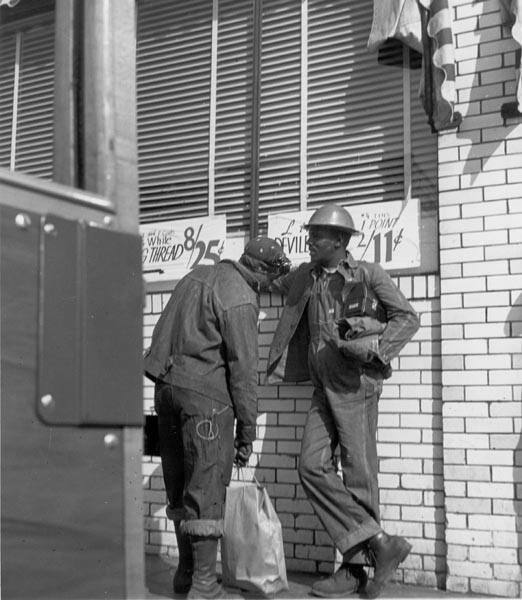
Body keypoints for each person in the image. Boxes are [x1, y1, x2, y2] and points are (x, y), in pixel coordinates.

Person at [267, 203, 420, 599]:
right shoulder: (306, 276)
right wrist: (257, 261)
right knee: (310, 466)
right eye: (310, 234)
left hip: (356, 386)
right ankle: (380, 543)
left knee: (358, 474)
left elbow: (407, 316)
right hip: (322, 387)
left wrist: (376, 351)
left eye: (317, 235)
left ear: (339, 240)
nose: (310, 241)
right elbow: (273, 279)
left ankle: (355, 572)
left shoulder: (368, 275)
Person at [144, 237, 290, 600]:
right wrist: (247, 431)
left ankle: (186, 575)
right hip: (205, 401)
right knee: (206, 489)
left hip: (166, 391)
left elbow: (161, 337)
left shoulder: (195, 277)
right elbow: (243, 373)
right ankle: (205, 585)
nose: (271, 286)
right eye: (272, 278)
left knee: (179, 486)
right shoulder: (241, 296)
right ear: (260, 269)